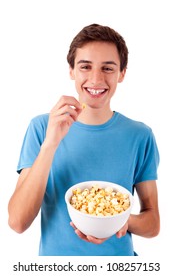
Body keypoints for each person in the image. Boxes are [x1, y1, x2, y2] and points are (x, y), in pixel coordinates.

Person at [8, 23, 160, 256]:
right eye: (85, 66)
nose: (96, 78)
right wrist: (50, 143)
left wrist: (119, 221)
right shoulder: (41, 128)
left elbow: (153, 223)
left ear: (122, 74)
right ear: (72, 71)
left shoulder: (140, 136)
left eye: (108, 68)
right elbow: (18, 222)